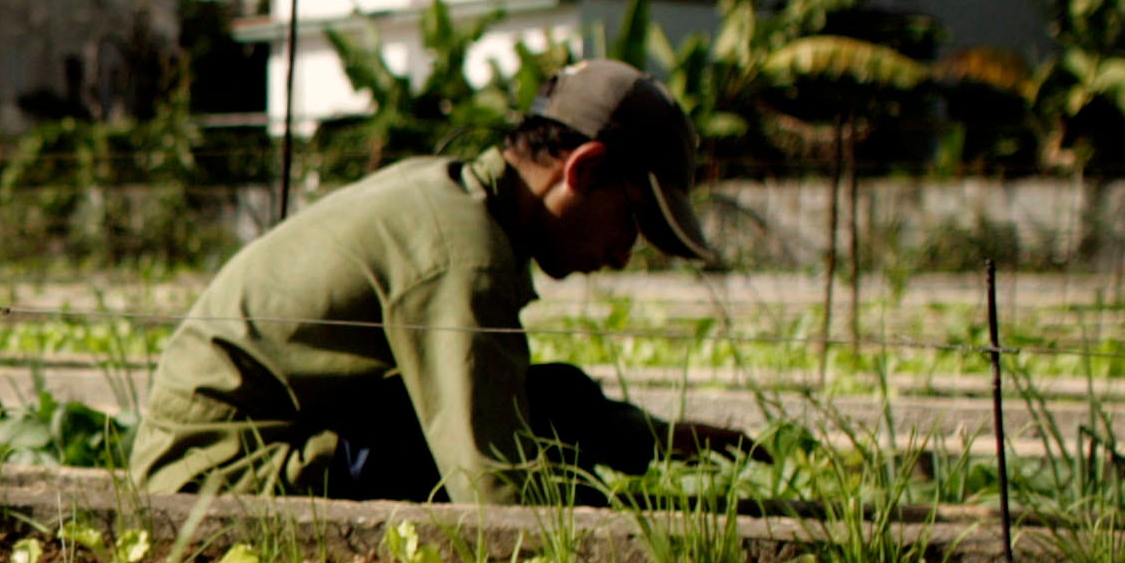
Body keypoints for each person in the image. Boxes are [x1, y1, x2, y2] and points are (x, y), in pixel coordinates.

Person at [134, 59, 717, 504]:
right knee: (486, 446)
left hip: (242, 442)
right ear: (582, 170)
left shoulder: (454, 197)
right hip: (213, 472)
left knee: (554, 399)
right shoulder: (462, 252)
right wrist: (611, 531)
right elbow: (492, 487)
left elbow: (517, 405)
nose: (622, 255)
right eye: (632, 223)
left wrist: (659, 440)